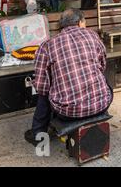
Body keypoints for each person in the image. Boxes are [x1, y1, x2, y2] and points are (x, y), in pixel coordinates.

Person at [24, 9, 113, 146]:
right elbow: (102, 65)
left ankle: (38, 135)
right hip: (101, 105)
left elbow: (41, 86)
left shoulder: (47, 45)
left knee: (45, 92)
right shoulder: (93, 36)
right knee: (102, 79)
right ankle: (94, 107)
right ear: (80, 22)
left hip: (67, 113)